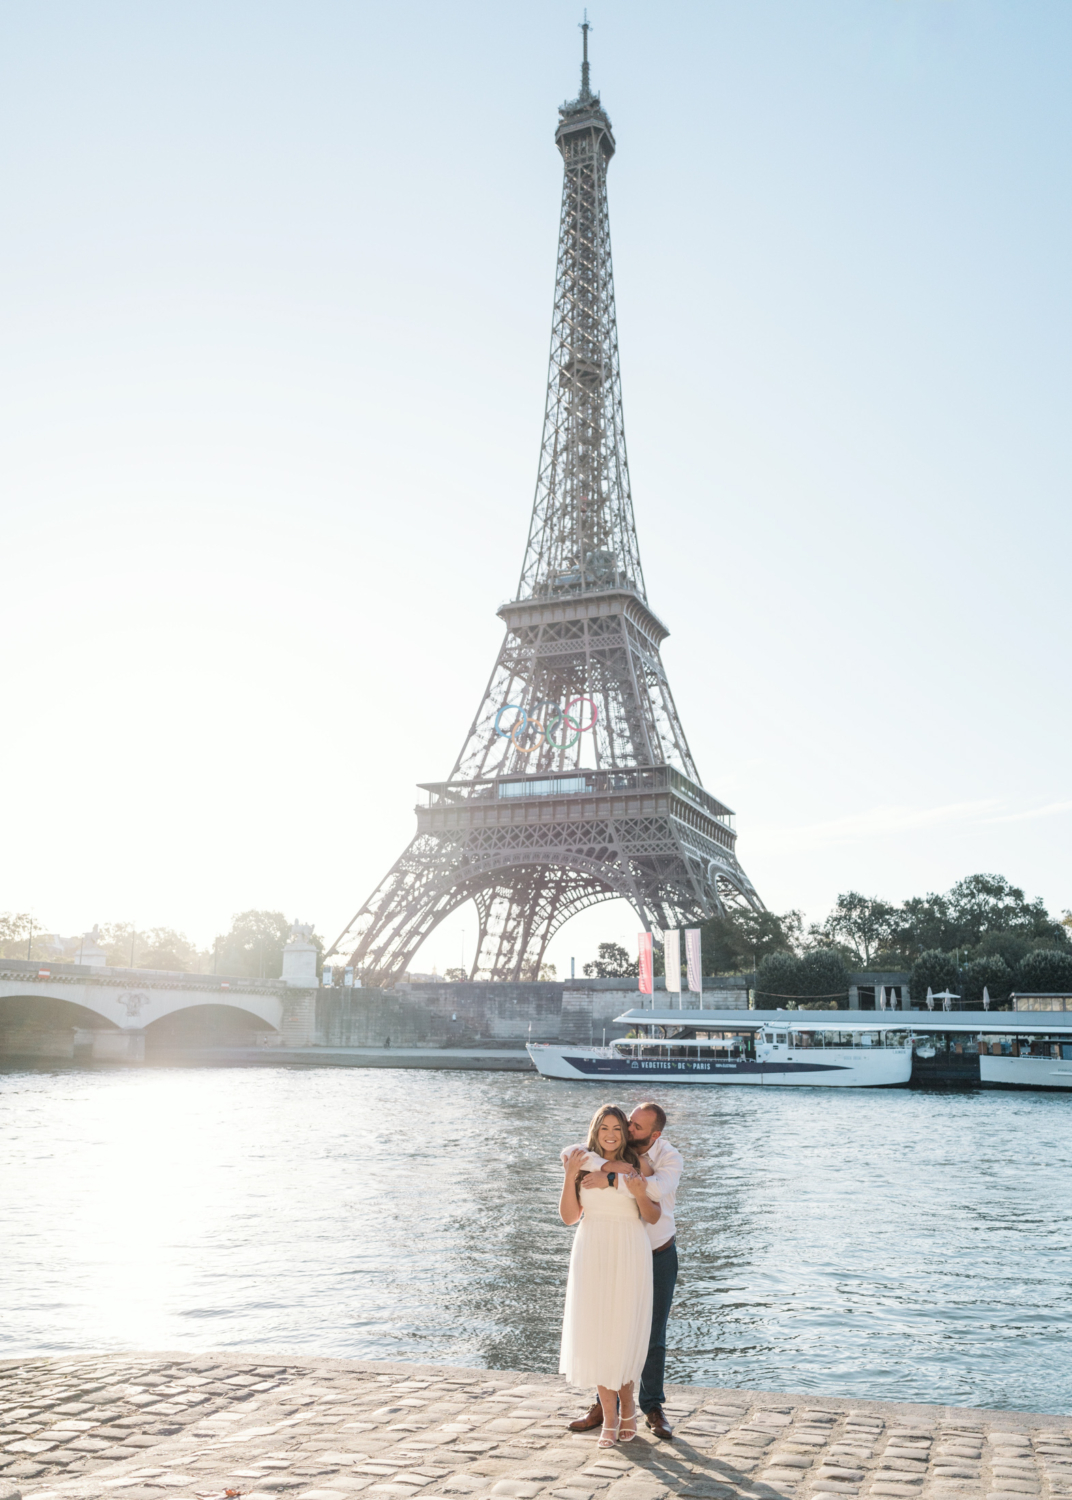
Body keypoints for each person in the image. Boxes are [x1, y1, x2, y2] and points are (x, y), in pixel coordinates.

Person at [563, 1101, 682, 1441]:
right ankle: (605, 1407)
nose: (627, 1131)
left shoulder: (667, 1159)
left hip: (654, 1251)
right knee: (603, 1329)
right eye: (625, 1123)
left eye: (633, 1128)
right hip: (601, 1247)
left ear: (654, 1134)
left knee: (648, 1334)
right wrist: (592, 1167)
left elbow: (653, 1193)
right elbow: (570, 1160)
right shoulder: (602, 1155)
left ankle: (651, 1406)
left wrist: (613, 1176)